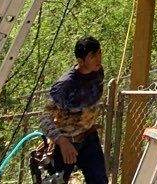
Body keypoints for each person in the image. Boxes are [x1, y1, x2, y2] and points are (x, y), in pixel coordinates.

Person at [40, 35, 107, 184]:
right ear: (81, 61)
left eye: (99, 53)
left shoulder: (98, 72)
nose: (98, 59)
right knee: (58, 180)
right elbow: (44, 119)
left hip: (88, 136)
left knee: (99, 180)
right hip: (67, 142)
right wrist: (62, 142)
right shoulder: (65, 85)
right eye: (92, 56)